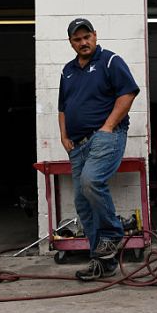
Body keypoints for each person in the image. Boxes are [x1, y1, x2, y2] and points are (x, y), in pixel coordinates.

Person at [59, 18, 140, 281]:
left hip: (105, 137)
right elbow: (63, 107)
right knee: (83, 204)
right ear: (71, 42)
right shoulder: (67, 71)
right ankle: (102, 263)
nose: (83, 42)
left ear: (95, 35)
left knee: (92, 181)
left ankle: (114, 233)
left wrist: (107, 126)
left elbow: (128, 93)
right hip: (77, 144)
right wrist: (63, 136)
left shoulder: (110, 61)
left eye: (86, 37)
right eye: (77, 39)